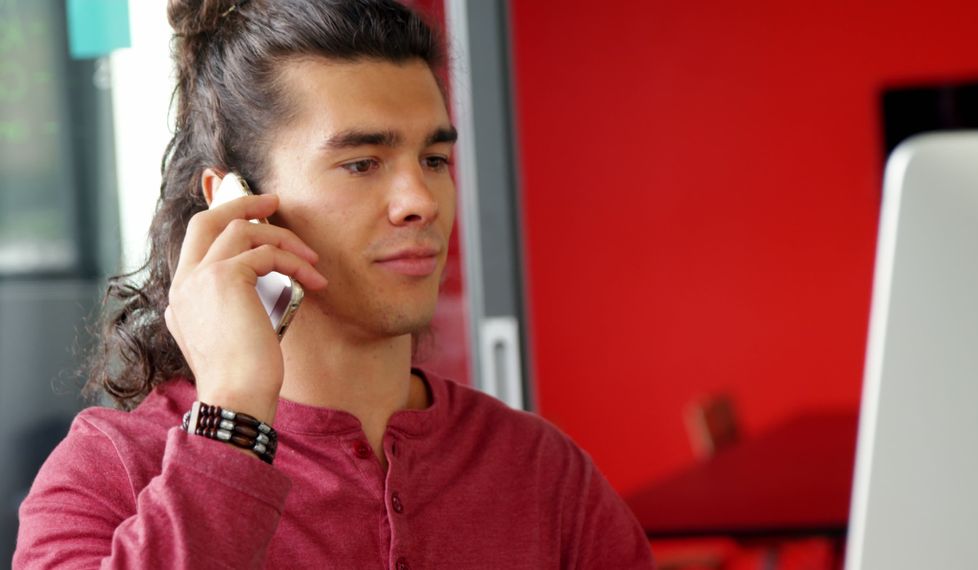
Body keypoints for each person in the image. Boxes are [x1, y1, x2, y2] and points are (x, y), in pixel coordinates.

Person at [13, 1, 654, 568]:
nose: (420, 201)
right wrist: (233, 414)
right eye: (361, 163)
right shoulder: (109, 476)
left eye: (433, 160)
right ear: (236, 204)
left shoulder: (544, 473)